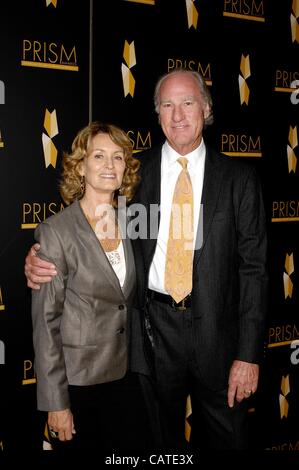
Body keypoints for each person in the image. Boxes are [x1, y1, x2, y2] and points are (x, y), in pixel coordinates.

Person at [25, 69, 268, 450]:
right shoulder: (133, 175)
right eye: (167, 105)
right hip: (151, 338)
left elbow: (254, 270)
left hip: (219, 340)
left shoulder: (239, 178)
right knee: (157, 448)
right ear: (157, 114)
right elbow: (87, 231)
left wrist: (248, 355)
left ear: (205, 108)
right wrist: (39, 258)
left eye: (188, 103)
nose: (178, 115)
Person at [29, 121, 153, 451]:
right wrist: (56, 403)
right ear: (80, 167)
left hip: (129, 376)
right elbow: (45, 324)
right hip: (79, 382)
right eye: (98, 156)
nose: (109, 166)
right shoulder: (57, 232)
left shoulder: (134, 220)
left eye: (117, 157)